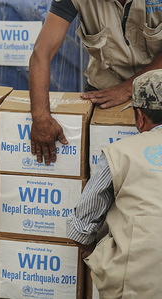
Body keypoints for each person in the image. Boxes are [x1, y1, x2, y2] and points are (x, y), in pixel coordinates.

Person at [28, 0, 162, 165]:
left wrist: (127, 89)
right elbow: (42, 52)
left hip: (157, 88)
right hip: (104, 89)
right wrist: (40, 116)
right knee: (94, 163)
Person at [66, 70, 162, 298]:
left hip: (135, 279)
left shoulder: (118, 153)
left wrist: (97, 255)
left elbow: (81, 227)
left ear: (140, 116)